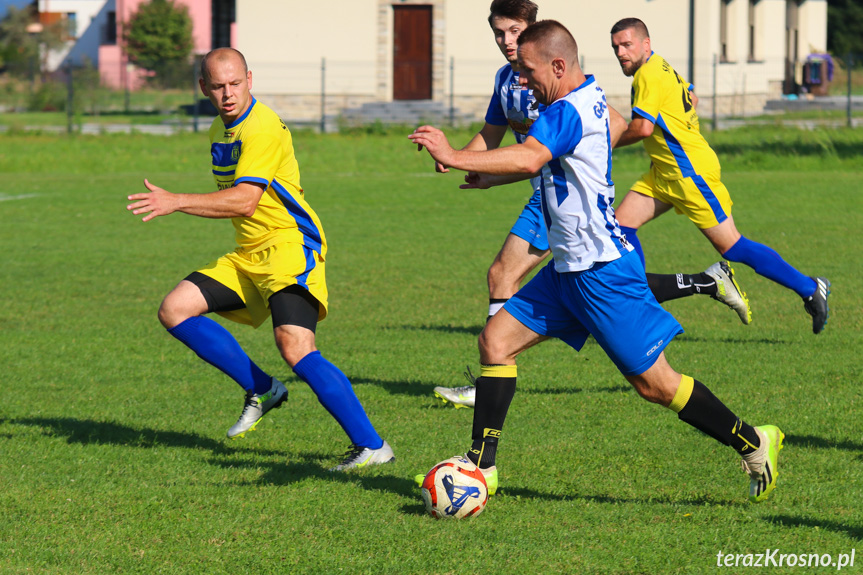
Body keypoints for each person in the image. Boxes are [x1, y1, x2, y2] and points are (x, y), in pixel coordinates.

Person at [409, 20, 783, 503]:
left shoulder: (564, 112)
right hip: (565, 271)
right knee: (495, 341)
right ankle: (482, 466)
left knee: (656, 386)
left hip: (604, 273)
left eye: (528, 70)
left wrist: (455, 155)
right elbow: (546, 164)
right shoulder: (588, 98)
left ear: (558, 65)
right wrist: (487, 177)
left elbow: (527, 159)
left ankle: (753, 442)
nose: (521, 80)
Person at [432, 0, 751, 411]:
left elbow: (610, 127)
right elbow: (491, 136)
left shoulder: (564, 85)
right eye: (498, 32)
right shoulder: (507, 80)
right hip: (547, 194)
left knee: (525, 276)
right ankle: (705, 282)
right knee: (588, 281)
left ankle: (488, 382)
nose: (506, 41)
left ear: (535, 33)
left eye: (514, 31)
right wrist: (457, 155)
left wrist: (584, 163)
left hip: (564, 202)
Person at [126, 48, 394, 471]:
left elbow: (245, 200)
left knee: (295, 345)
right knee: (175, 309)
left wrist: (175, 200)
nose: (228, 94)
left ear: (250, 79)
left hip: (290, 245)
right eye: (218, 86)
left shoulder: (262, 128)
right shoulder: (220, 127)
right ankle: (263, 389)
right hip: (249, 252)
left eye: (235, 84)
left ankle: (372, 445)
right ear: (204, 88)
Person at [610, 17, 830, 334]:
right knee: (621, 226)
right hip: (665, 173)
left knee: (733, 247)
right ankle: (638, 306)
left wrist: (605, 140)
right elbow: (692, 99)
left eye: (626, 44)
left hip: (689, 174)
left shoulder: (646, 75)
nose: (620, 52)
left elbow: (643, 127)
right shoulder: (661, 65)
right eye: (616, 47)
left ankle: (810, 288)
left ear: (645, 43)